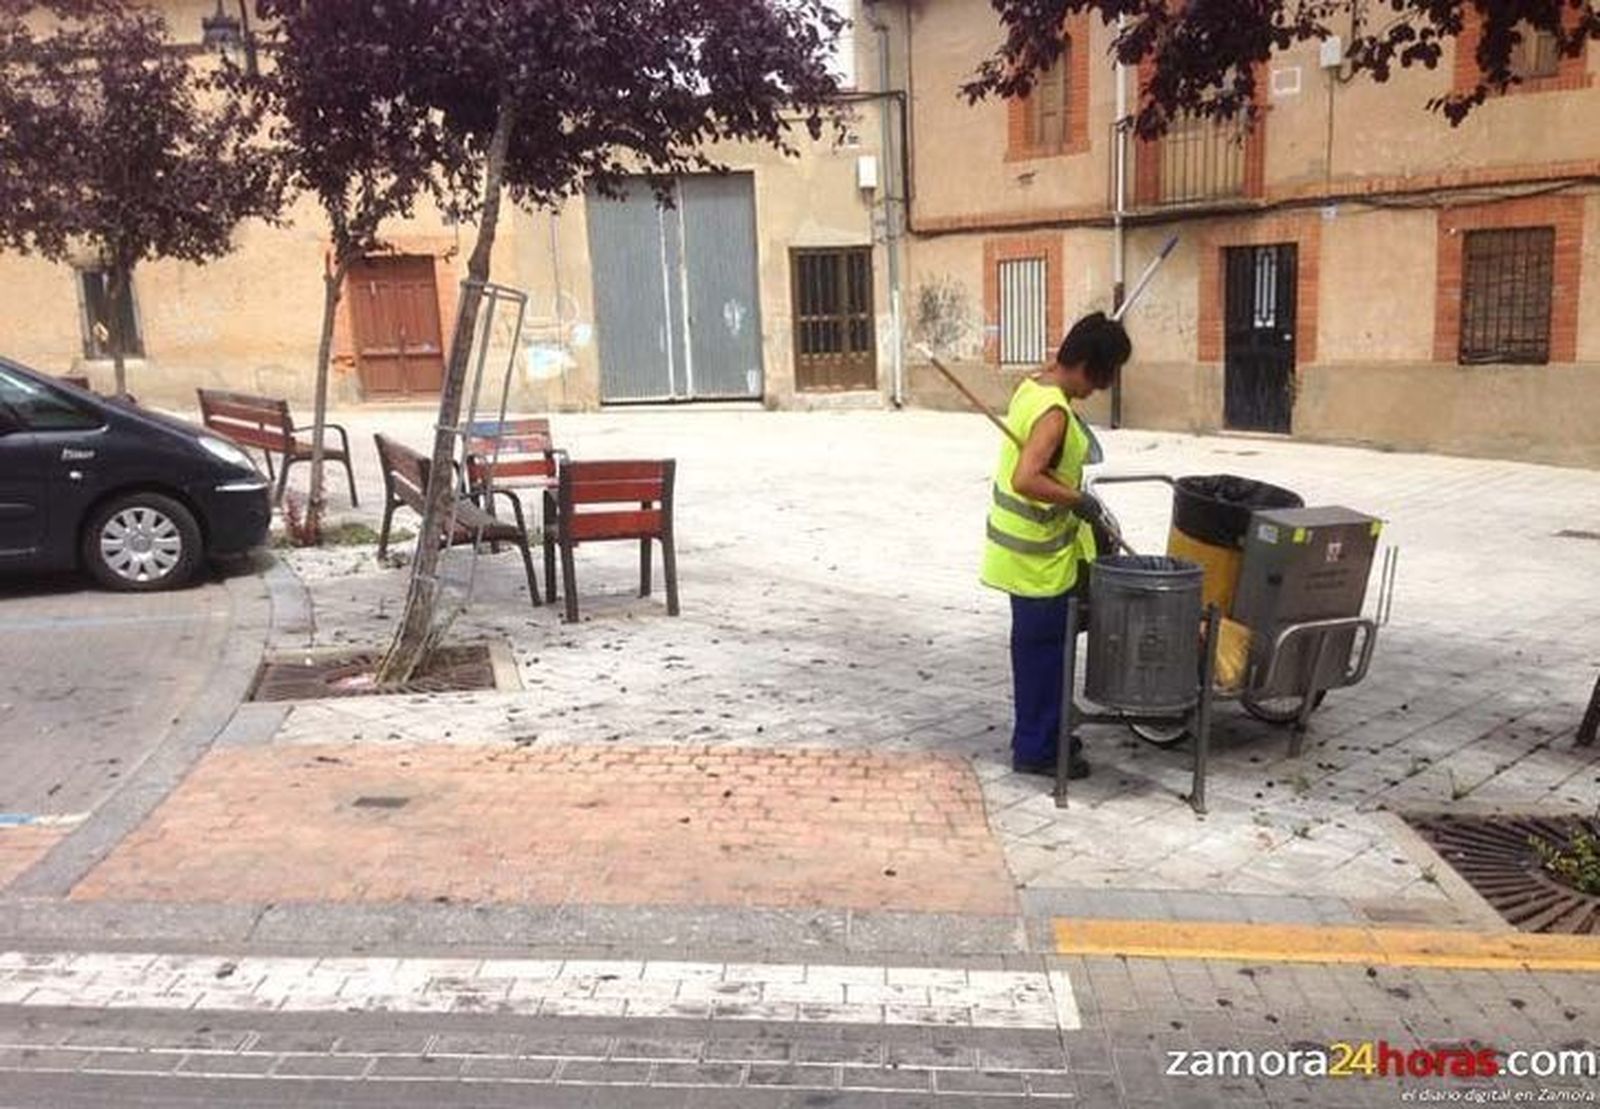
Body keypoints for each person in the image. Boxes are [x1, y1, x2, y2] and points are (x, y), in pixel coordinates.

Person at [980, 312, 1131, 779]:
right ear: (1085, 363)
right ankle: (1038, 751)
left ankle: (1039, 732)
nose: (1101, 389)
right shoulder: (1054, 412)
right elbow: (1027, 478)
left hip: (1022, 553)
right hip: (1038, 560)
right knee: (1045, 655)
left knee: (1037, 653)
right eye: (1102, 376)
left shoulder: (1036, 386)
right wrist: (1078, 499)